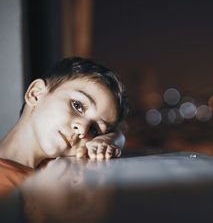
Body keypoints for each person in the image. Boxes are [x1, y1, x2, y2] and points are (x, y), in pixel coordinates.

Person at [0, 57, 129, 196]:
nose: (83, 129)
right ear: (35, 94)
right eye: (77, 105)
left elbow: (118, 134)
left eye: (94, 129)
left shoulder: (66, 165)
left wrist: (107, 141)